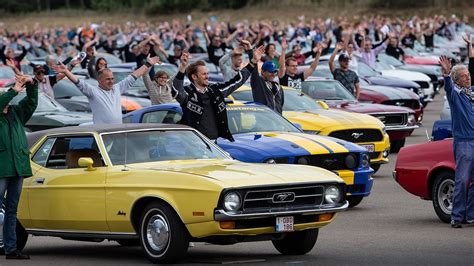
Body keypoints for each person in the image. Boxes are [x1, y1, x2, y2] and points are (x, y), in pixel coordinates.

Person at [172, 45, 264, 141]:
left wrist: (253, 62)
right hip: (194, 144)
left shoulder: (215, 90)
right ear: (194, 77)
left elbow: (237, 81)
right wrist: (182, 67)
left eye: (207, 73)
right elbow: (176, 90)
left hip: (215, 144)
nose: (207, 76)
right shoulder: (187, 93)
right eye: (204, 74)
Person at [53, 56, 161, 125]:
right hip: (101, 136)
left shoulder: (117, 88)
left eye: (112, 79)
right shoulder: (93, 92)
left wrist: (148, 64)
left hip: (116, 133)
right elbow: (77, 82)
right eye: (108, 79)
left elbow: (135, 75)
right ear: (99, 80)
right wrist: (66, 71)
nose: (111, 81)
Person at [0, 74, 38, 260]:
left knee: (12, 211)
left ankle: (11, 249)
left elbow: (31, 102)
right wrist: (14, 88)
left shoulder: (15, 113)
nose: (6, 104)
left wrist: (31, 84)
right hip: (2, 169)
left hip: (17, 168)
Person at [439, 55, 474, 228]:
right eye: (464, 76)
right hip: (464, 142)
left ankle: (471, 215)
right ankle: (457, 217)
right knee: (461, 179)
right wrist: (446, 75)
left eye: (468, 74)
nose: (468, 77)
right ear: (457, 81)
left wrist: (471, 53)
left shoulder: (472, 92)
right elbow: (448, 88)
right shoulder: (455, 95)